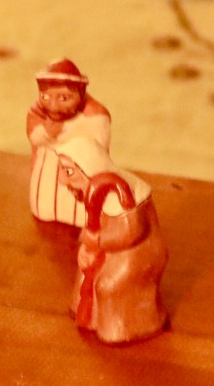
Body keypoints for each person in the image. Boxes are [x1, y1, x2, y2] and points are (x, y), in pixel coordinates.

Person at [55, 137, 168, 344]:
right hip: (112, 245)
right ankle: (89, 318)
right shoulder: (94, 190)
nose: (62, 180)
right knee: (84, 272)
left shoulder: (120, 194)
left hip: (138, 251)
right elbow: (95, 226)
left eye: (68, 172)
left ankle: (124, 328)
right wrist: (88, 246)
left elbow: (131, 232)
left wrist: (95, 241)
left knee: (108, 285)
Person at [27, 58, 110, 227]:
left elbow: (98, 149)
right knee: (45, 204)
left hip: (78, 176)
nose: (53, 105)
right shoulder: (37, 112)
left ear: (80, 94)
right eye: (45, 96)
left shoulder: (95, 115)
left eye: (63, 98)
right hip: (47, 173)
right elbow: (34, 138)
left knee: (81, 213)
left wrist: (65, 135)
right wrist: (47, 132)